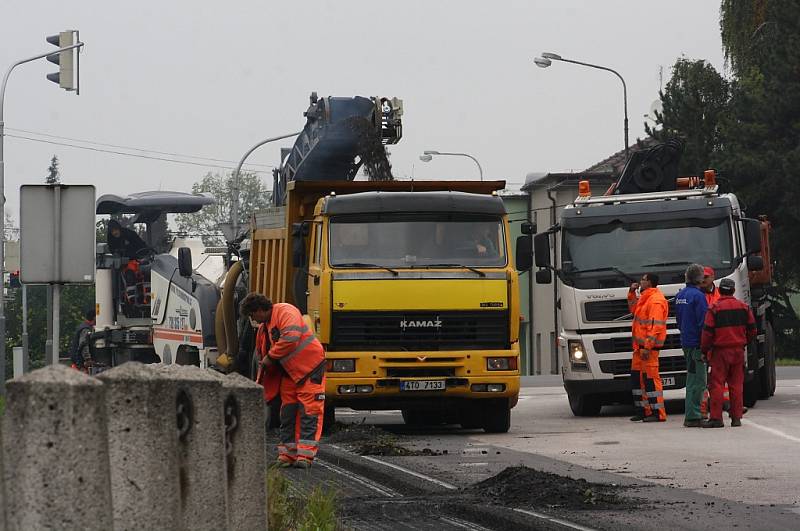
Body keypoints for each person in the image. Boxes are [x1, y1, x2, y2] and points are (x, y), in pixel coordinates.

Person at [240, 292, 326, 468]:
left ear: (259, 310)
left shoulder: (285, 311)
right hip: (291, 374)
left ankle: (305, 456)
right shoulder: (265, 328)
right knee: (287, 413)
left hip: (310, 369)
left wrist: (271, 357)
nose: (252, 319)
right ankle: (288, 454)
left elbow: (291, 338)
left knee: (309, 412)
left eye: (252, 314)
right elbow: (262, 356)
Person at [701, 278, 756, 428]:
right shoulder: (744, 307)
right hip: (738, 350)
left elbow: (707, 333)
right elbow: (752, 330)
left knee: (717, 384)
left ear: (720, 290)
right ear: (732, 290)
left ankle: (716, 418)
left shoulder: (714, 308)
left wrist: (704, 350)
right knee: (736, 384)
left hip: (720, 351)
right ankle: (736, 417)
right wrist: (744, 342)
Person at [627, 273, 669, 422]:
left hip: (647, 349)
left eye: (643, 279)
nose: (640, 281)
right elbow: (633, 310)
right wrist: (631, 293)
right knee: (637, 380)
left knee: (651, 380)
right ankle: (643, 411)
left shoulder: (655, 301)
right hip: (640, 349)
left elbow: (655, 327)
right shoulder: (645, 298)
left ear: (649, 282)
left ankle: (658, 413)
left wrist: (648, 347)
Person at [674, 264, 709, 428]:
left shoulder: (680, 295)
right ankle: (693, 415)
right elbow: (703, 322)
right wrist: (705, 345)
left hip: (686, 342)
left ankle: (692, 413)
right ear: (699, 278)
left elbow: (679, 320)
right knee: (698, 381)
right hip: (696, 344)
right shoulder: (698, 296)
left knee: (691, 377)